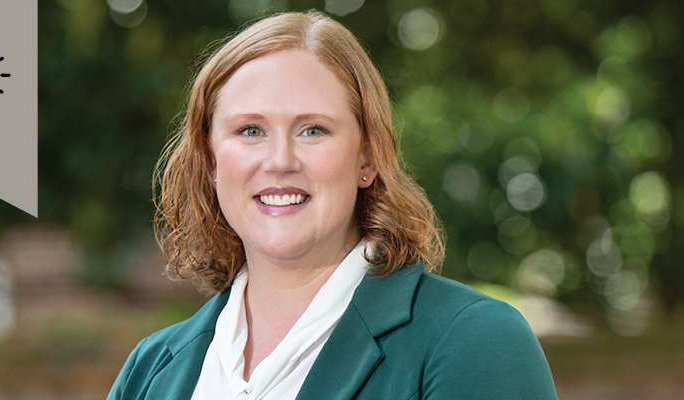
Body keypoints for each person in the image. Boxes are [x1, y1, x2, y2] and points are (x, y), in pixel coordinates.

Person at [108, 10, 557, 400]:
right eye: (250, 130)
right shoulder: (150, 371)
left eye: (313, 130)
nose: (280, 161)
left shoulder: (476, 342)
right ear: (211, 162)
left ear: (368, 158)